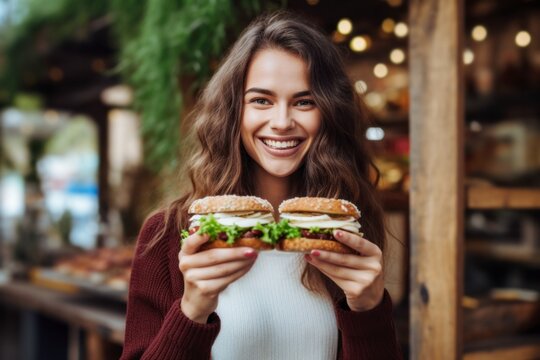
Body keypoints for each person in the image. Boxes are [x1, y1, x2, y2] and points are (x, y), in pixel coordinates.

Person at [121, 11, 402, 360]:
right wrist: (192, 310)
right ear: (233, 111)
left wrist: (369, 311)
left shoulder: (344, 234)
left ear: (329, 113)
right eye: (261, 100)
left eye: (304, 101)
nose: (282, 122)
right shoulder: (167, 235)